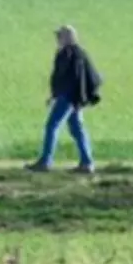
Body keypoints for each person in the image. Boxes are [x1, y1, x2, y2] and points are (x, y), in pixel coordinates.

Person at [25, 24, 102, 174]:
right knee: (77, 130)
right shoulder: (79, 53)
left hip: (68, 98)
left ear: (68, 37)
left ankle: (45, 161)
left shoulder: (69, 54)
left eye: (60, 36)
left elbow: (67, 79)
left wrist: (61, 96)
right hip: (74, 99)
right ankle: (87, 163)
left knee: (52, 126)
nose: (57, 39)